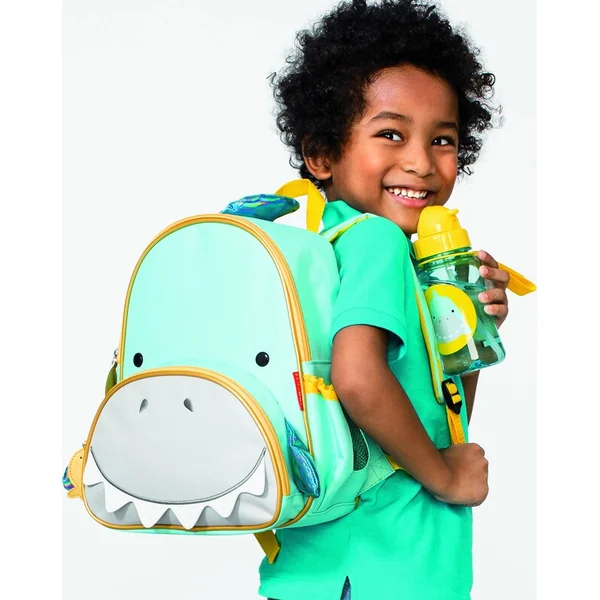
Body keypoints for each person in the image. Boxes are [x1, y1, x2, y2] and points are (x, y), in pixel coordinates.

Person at [260, 1, 510, 599]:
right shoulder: (375, 240)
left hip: (342, 569)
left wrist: (469, 331)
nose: (421, 163)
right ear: (321, 154)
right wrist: (445, 477)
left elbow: (440, 415)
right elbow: (358, 379)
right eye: (390, 134)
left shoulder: (343, 247)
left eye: (442, 139)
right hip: (380, 570)